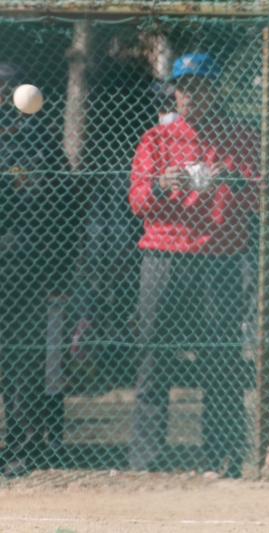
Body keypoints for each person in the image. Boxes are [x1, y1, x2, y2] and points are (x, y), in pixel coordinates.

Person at [127, 53, 259, 478]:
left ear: (215, 91)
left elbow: (262, 198)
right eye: (183, 88)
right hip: (163, 256)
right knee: (153, 356)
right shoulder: (156, 139)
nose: (189, 95)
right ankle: (146, 458)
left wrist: (231, 178)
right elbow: (138, 201)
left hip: (219, 259)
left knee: (219, 359)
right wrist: (162, 184)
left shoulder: (241, 137)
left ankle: (222, 457)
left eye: (199, 87)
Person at [0, 62, 74, 476]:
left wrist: (59, 270)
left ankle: (23, 446)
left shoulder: (39, 143)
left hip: (25, 269)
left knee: (22, 361)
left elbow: (62, 210)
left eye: (7, 89)